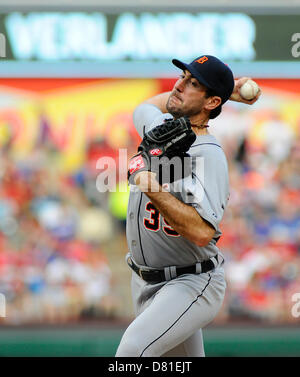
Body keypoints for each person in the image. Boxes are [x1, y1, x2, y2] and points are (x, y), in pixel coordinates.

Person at [115, 55, 261, 357]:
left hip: (191, 281)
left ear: (210, 102)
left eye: (194, 83)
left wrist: (148, 183)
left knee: (132, 353)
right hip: (145, 280)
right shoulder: (164, 128)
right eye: (182, 76)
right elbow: (144, 108)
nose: (179, 85)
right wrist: (229, 90)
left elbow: (201, 232)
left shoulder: (210, 156)